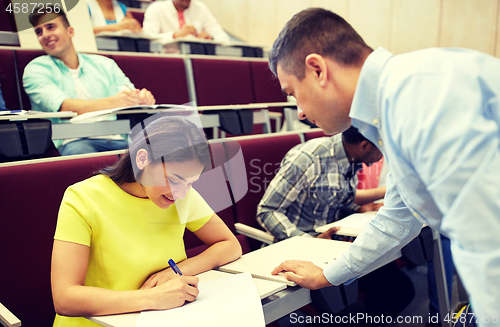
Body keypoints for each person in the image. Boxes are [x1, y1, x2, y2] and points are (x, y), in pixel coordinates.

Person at [268, 8, 500, 326]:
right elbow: (395, 219)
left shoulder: (417, 96)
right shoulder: (395, 105)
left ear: (317, 70)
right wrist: (328, 275)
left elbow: (486, 239)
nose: (301, 113)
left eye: (293, 93)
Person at [51, 114, 242, 326]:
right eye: (173, 179)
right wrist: (152, 298)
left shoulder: (182, 194)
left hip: (159, 319)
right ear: (142, 159)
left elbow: (230, 245)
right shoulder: (82, 198)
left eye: (190, 182)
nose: (180, 193)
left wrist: (174, 273)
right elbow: (65, 298)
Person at [23, 7, 155, 155]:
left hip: (116, 137)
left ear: (70, 31)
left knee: (154, 154)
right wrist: (116, 102)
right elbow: (65, 107)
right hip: (73, 140)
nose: (45, 35)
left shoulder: (104, 64)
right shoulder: (35, 69)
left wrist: (142, 98)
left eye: (50, 27)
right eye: (39, 32)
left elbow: (129, 96)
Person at [257, 126, 385, 242]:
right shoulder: (308, 159)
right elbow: (267, 211)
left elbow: (332, 203)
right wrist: (310, 241)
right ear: (364, 146)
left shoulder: (351, 158)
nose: (384, 154)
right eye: (383, 147)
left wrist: (357, 209)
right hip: (300, 245)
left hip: (333, 242)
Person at [143, 0, 230, 43]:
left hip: (197, 62)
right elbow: (147, 39)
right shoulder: (156, 9)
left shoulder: (201, 8)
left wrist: (210, 38)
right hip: (166, 62)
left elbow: (224, 38)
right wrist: (175, 36)